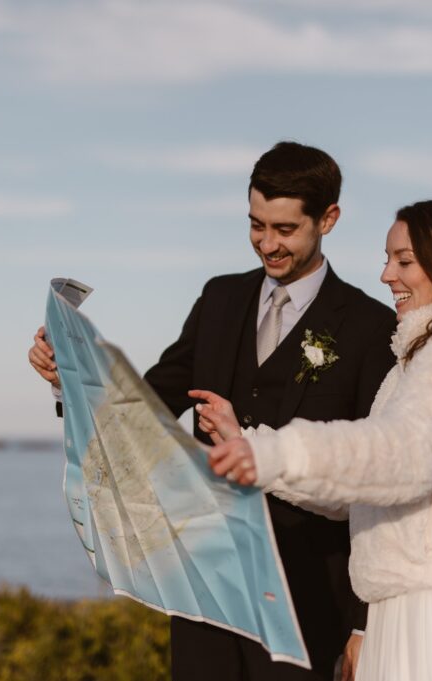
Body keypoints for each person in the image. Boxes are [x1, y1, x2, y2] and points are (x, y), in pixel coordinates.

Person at [28, 141, 398, 681]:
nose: (267, 244)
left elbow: (375, 489)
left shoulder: (368, 328)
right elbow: (146, 407)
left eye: (285, 229)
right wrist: (70, 381)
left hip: (307, 604)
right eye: (256, 225)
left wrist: (364, 625)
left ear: (329, 219)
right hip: (202, 587)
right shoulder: (220, 299)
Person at [195, 198, 432, 680]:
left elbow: (404, 457)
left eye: (404, 261)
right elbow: (362, 495)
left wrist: (273, 453)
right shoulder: (420, 360)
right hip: (406, 606)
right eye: (387, 259)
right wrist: (249, 443)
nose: (386, 276)